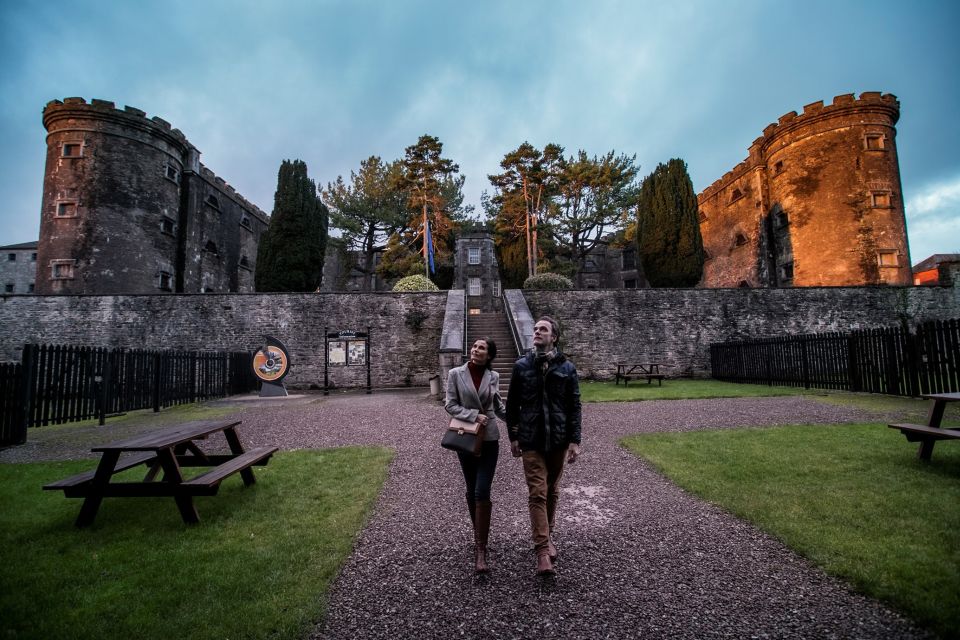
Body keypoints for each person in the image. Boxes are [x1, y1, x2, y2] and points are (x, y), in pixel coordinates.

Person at [505, 315, 581, 576]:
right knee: (537, 492)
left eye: (543, 329)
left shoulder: (567, 368)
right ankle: (542, 552)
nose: (537, 332)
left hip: (558, 440)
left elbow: (574, 406)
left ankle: (547, 535)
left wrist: (575, 440)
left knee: (552, 491)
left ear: (554, 337)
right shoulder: (521, 366)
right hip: (531, 440)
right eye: (535, 328)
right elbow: (512, 404)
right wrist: (514, 437)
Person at [444, 337, 507, 573]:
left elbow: (498, 407)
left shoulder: (494, 377)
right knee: (471, 490)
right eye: (474, 346)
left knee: (483, 490)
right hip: (467, 438)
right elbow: (450, 405)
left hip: (490, 439)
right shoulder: (455, 374)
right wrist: (473, 415)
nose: (475, 350)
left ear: (489, 355)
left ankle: (481, 549)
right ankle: (478, 536)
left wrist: (518, 422)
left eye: (481, 348)